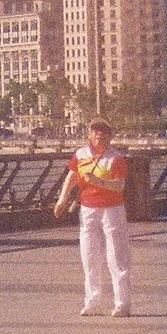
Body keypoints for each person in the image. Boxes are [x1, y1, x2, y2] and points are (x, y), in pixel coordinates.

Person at [52, 118, 132, 317]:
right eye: (95, 131)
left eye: (103, 131)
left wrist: (98, 181)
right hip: (88, 209)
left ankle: (122, 304)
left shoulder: (116, 157)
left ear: (109, 135)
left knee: (116, 256)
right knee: (89, 256)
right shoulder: (81, 154)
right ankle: (92, 303)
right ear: (89, 133)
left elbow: (120, 185)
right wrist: (62, 199)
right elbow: (71, 177)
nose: (99, 135)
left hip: (112, 210)